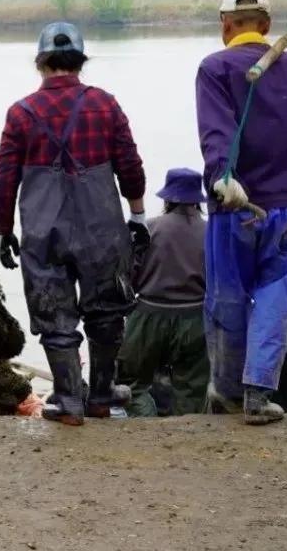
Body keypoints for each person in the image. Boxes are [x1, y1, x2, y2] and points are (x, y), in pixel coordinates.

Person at [0, 21, 147, 426]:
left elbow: (5, 176)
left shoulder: (20, 113)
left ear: (40, 62)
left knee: (55, 315)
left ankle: (68, 400)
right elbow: (130, 165)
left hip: (44, 232)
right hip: (102, 229)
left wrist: (3, 229)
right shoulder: (105, 105)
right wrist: (138, 214)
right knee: (106, 311)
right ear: (80, 60)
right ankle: (100, 395)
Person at [196, 0, 287, 425]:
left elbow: (216, 132)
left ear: (225, 26)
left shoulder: (214, 67)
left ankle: (229, 392)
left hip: (237, 205)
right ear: (266, 26)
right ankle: (256, 395)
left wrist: (220, 177)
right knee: (276, 295)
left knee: (228, 297)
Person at [118, 168, 210, 416]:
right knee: (192, 390)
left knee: (131, 384)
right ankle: (186, 440)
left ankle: (146, 429)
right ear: (197, 201)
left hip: (148, 315)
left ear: (167, 199)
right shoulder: (211, 233)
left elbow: (127, 277)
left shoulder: (149, 228)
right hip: (196, 318)